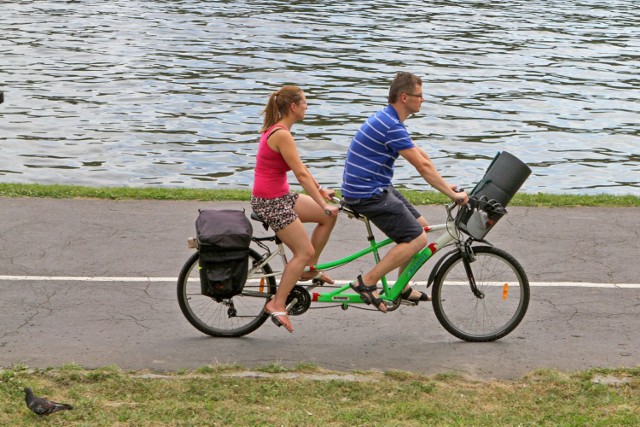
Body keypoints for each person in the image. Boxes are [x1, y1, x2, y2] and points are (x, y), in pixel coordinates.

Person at [341, 72, 469, 312]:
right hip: (366, 194)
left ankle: (403, 285)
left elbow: (422, 157)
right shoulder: (391, 125)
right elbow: (420, 167)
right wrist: (452, 197)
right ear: (404, 97)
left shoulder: (390, 121)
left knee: (420, 225)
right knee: (417, 238)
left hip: (375, 186)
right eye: (419, 96)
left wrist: (445, 185)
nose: (422, 100)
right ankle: (367, 282)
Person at [251, 85, 339, 333]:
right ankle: (277, 303)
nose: (307, 106)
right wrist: (323, 203)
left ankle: (309, 270)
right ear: (293, 106)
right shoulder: (281, 134)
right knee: (303, 250)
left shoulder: (281, 130)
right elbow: (300, 174)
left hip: (280, 195)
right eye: (305, 103)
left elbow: (302, 168)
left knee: (329, 217)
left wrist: (321, 193)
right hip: (271, 201)